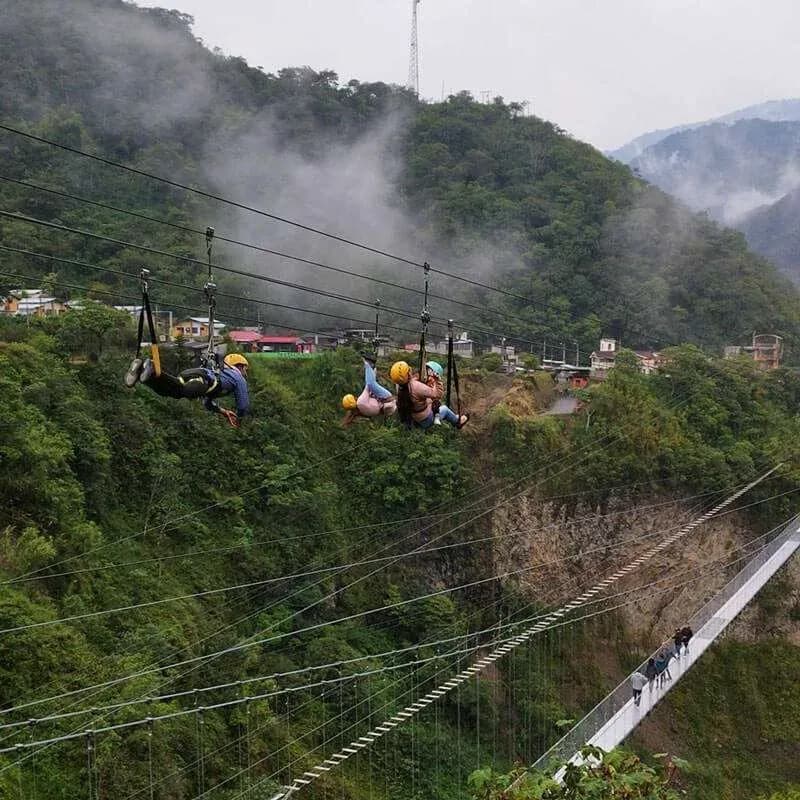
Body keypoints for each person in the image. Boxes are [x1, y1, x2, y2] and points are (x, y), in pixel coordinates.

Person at [131, 353, 250, 428]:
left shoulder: (223, 376)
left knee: (170, 392)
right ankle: (152, 369)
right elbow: (243, 405)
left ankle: (146, 377)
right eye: (245, 369)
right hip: (202, 380)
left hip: (194, 376)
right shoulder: (237, 377)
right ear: (239, 366)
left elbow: (207, 403)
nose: (246, 373)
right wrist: (239, 420)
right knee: (182, 391)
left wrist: (223, 412)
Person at [391, 360, 469, 430]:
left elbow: (411, 387)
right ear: (408, 374)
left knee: (430, 402)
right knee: (445, 409)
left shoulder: (399, 386)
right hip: (424, 419)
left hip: (411, 416)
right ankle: (458, 422)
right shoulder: (416, 387)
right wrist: (437, 380)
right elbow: (437, 394)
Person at [342, 358, 396, 425]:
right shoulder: (360, 402)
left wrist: (373, 373)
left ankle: (370, 366)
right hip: (386, 398)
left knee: (372, 384)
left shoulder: (361, 412)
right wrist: (368, 367)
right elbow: (369, 386)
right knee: (370, 383)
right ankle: (368, 364)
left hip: (388, 406)